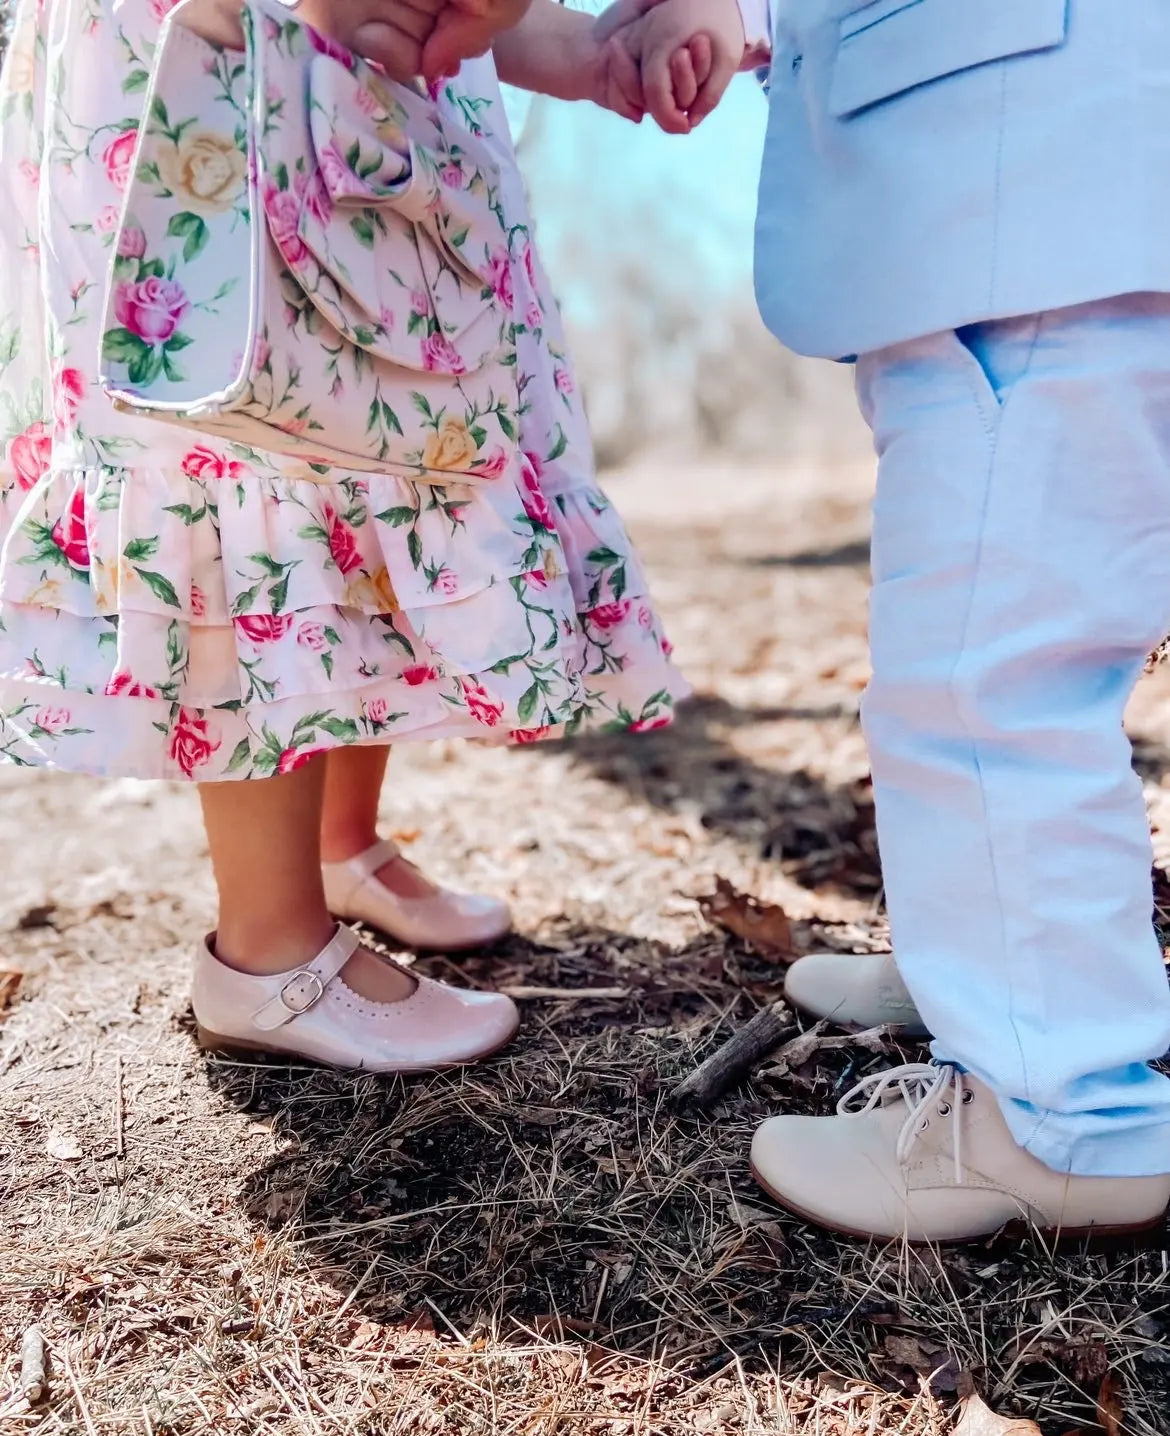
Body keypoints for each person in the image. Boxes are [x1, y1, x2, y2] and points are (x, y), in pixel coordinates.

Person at [0, 0, 685, 1072]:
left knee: (388, 441)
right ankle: (267, 953)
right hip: (217, 44)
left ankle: (339, 848)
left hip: (369, 74)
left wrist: (598, 55)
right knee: (260, 443)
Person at [597, 0, 1170, 1242]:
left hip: (1029, 206)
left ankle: (1056, 1112)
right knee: (1010, 646)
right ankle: (996, 968)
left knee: (986, 684)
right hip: (1046, 205)